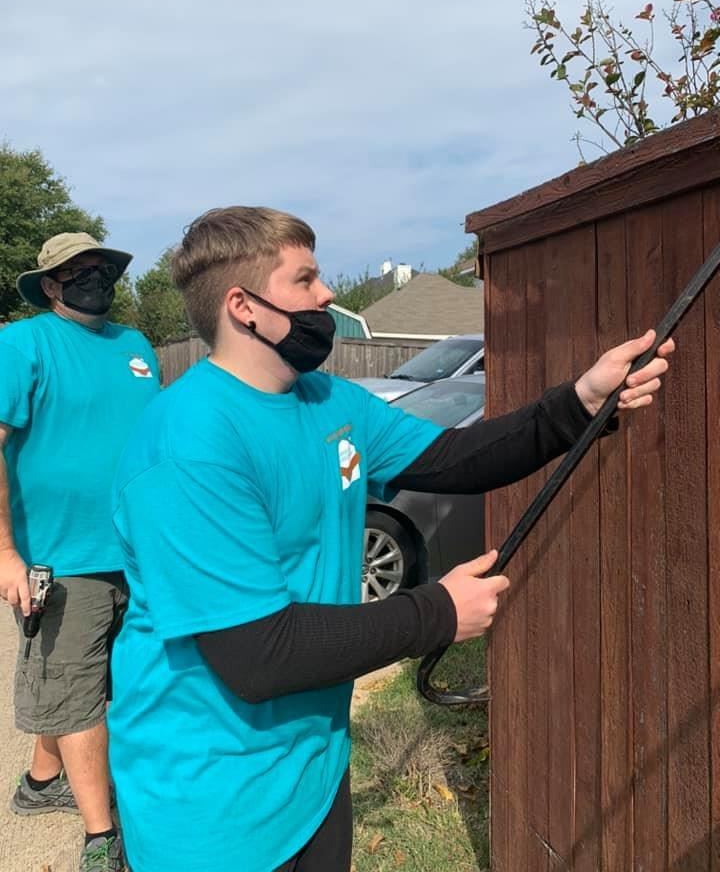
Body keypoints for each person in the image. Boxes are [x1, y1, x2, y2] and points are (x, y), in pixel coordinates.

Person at [109, 206, 673, 872]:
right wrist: (437, 613)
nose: (328, 295)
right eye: (305, 279)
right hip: (209, 804)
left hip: (314, 772)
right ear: (244, 306)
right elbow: (257, 655)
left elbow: (454, 459)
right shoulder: (188, 443)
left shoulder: (328, 400)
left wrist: (578, 403)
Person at [0, 232, 161, 872]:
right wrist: (5, 554)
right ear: (50, 285)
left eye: (103, 268)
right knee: (73, 690)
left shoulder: (136, 346)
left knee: (80, 683)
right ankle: (101, 840)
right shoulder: (22, 344)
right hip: (61, 560)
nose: (95, 278)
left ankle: (42, 782)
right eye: (78, 271)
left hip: (139, 553)